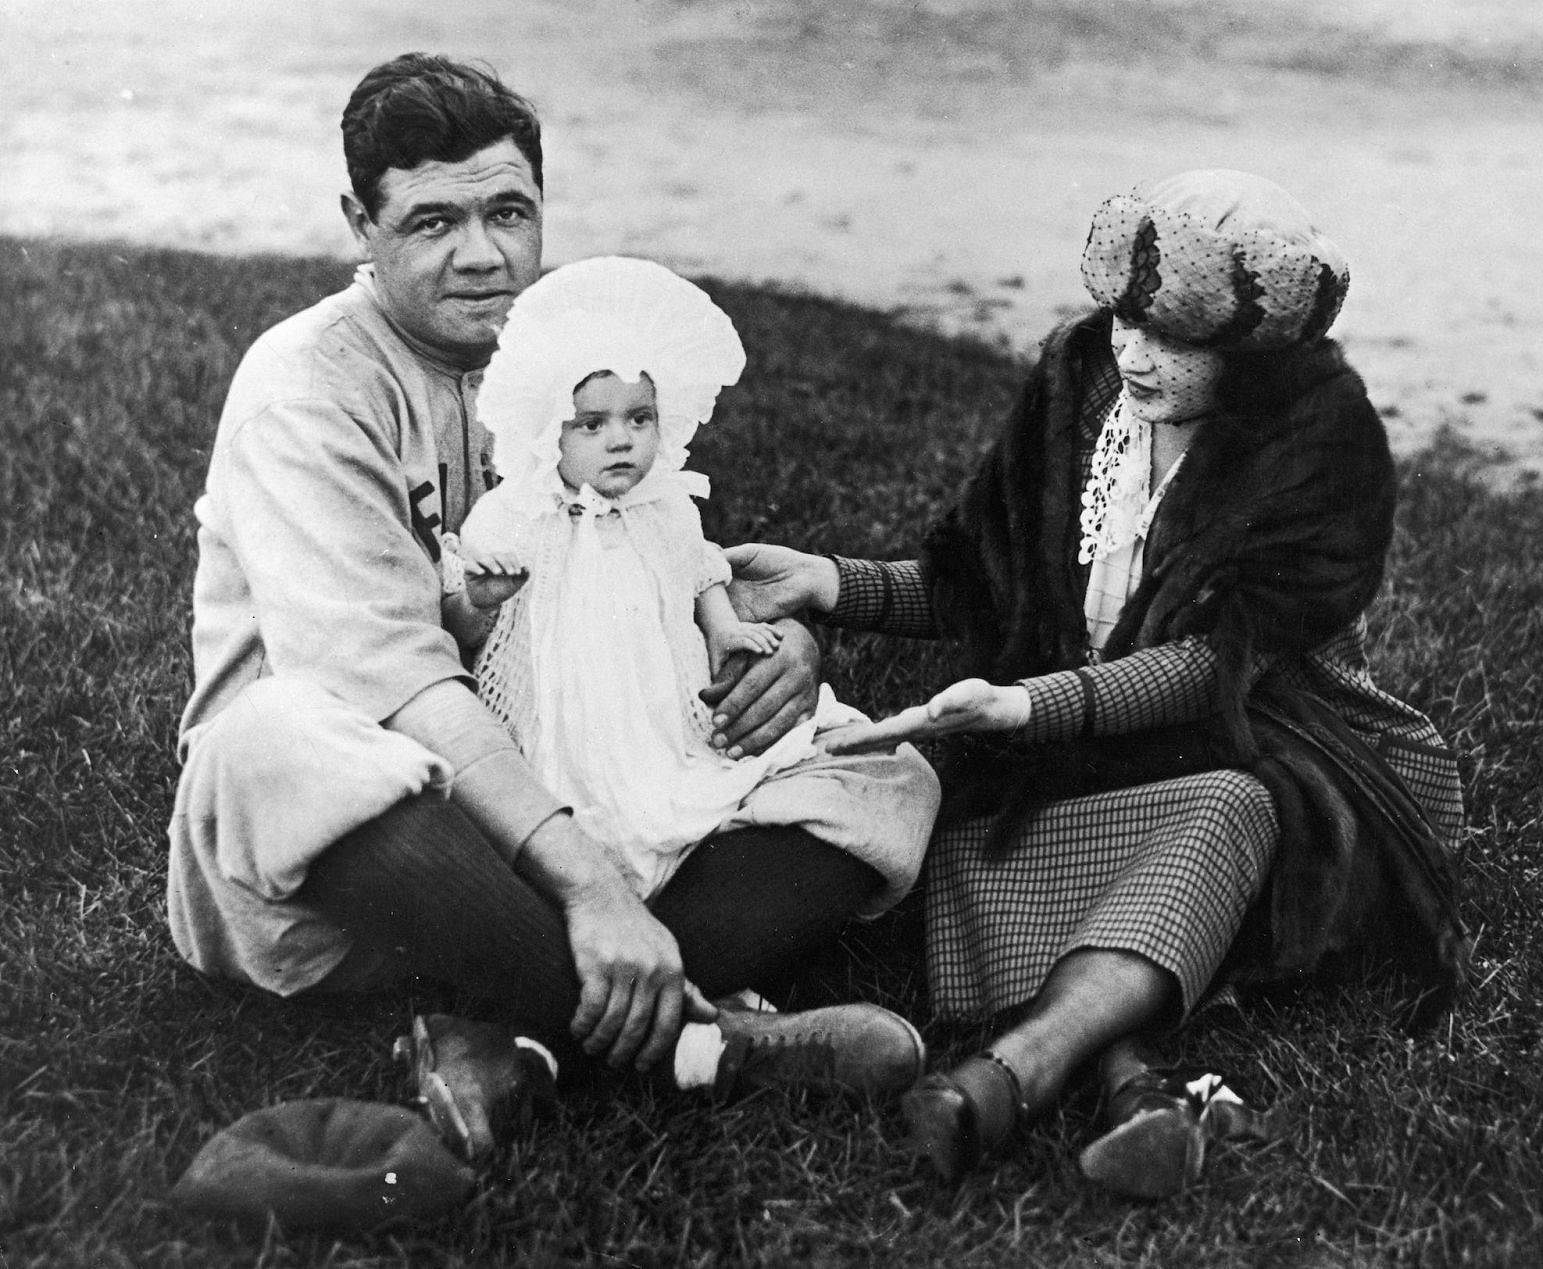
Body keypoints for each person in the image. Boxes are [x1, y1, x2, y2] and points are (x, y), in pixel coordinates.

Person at [164, 52, 940, 1162]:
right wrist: (587, 889)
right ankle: (706, 1037)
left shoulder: (556, 361)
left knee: (886, 774)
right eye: (433, 220)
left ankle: (516, 1044)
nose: (482, 254)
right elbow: (397, 685)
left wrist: (777, 649)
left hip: (561, 763)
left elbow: (645, 560)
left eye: (509, 212)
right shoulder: (308, 387)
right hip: (378, 842)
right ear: (358, 221)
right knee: (275, 745)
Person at [725, 170, 1468, 1195]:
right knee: (1111, 823)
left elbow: (1215, 668)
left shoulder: (1316, 446)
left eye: (1175, 338)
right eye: (1123, 318)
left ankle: (1002, 1077)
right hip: (1070, 750)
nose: (1132, 352)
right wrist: (833, 582)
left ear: (1253, 361)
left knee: (1231, 807)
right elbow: (988, 585)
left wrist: (1032, 704)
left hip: (1257, 736)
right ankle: (1128, 1082)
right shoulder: (1084, 387)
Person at [448, 254, 912, 904]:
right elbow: (465, 630)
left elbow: (698, 574)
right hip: (568, 714)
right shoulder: (518, 514)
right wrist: (482, 599)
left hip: (661, 704)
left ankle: (695, 882)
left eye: (640, 419)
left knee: (725, 776)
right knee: (588, 809)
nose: (622, 441)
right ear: (546, 428)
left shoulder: (664, 504)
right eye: (592, 424)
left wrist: (725, 628)